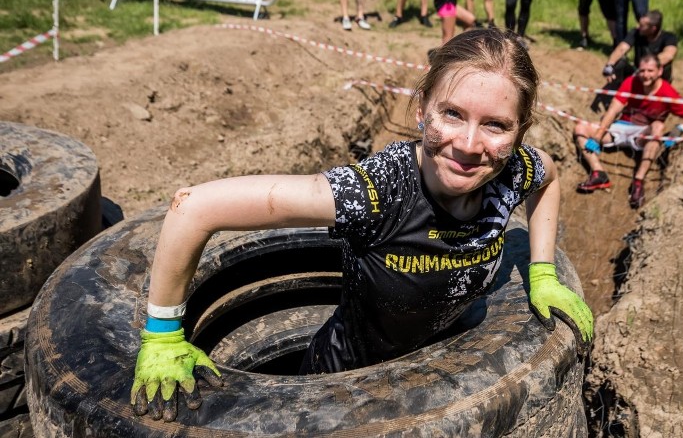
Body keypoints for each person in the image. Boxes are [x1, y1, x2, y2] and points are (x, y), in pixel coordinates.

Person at [129, 29, 594, 422]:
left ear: (519, 131)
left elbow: (549, 177)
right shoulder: (377, 190)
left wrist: (542, 272)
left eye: (495, 125)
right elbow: (193, 208)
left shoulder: (513, 170)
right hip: (339, 382)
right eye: (452, 114)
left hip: (439, 364)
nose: (469, 145)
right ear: (422, 109)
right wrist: (163, 334)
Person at [573, 54, 683, 209]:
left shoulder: (667, 92)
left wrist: (679, 128)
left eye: (650, 71)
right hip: (620, 127)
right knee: (580, 127)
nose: (645, 75)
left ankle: (638, 181)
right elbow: (613, 110)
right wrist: (598, 136)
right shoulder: (631, 82)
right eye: (642, 70)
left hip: (643, 134)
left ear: (659, 71)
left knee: (658, 126)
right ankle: (598, 173)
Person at [603, 9, 678, 85]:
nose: (638, 27)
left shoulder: (669, 37)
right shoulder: (636, 32)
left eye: (642, 26)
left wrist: (646, 68)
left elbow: (668, 55)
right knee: (619, 63)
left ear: (653, 29)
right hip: (637, 73)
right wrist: (610, 65)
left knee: (665, 65)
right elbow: (622, 48)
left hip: (657, 77)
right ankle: (614, 90)